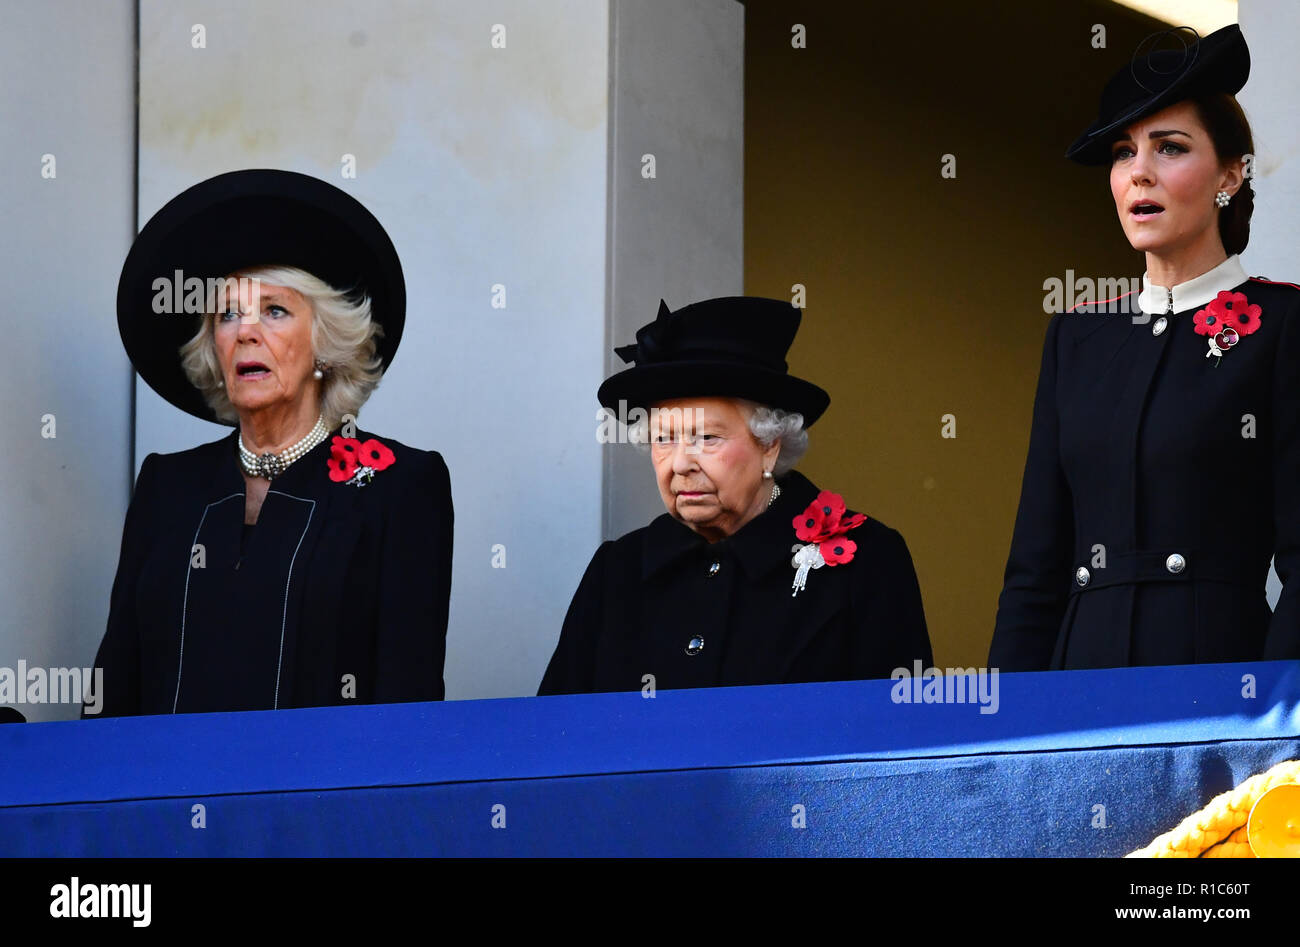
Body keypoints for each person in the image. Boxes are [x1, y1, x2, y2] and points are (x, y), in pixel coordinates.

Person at [991, 25, 1300, 670]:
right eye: (1123, 153)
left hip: (1218, 684)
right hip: (1078, 684)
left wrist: (1271, 722)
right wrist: (1008, 738)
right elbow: (1034, 569)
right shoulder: (1076, 335)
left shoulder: (1283, 322)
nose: (1139, 173)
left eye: (1170, 148)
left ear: (1231, 174)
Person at [88, 169, 453, 715]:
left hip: (322, 797)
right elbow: (115, 687)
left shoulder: (397, 485)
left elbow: (408, 703)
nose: (245, 332)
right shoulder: (167, 486)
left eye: (274, 311)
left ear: (325, 344)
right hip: (167, 793)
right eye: (227, 314)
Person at [538, 296, 932, 695]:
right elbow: (554, 736)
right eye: (664, 439)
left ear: (770, 445)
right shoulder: (617, 571)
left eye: (706, 438)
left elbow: (899, 740)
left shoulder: (866, 563)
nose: (679, 464)